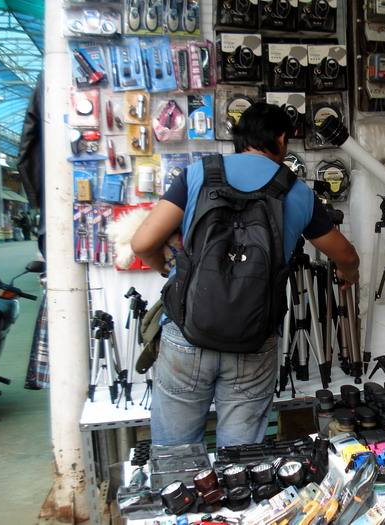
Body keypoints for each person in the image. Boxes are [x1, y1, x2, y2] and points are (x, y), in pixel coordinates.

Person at [131, 103, 360, 447]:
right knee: (241, 458)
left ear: (240, 138)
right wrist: (348, 274)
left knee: (175, 455)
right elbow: (346, 255)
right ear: (280, 139)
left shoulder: (197, 174)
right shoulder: (297, 192)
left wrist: (164, 266)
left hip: (187, 331)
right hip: (254, 339)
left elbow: (142, 243)